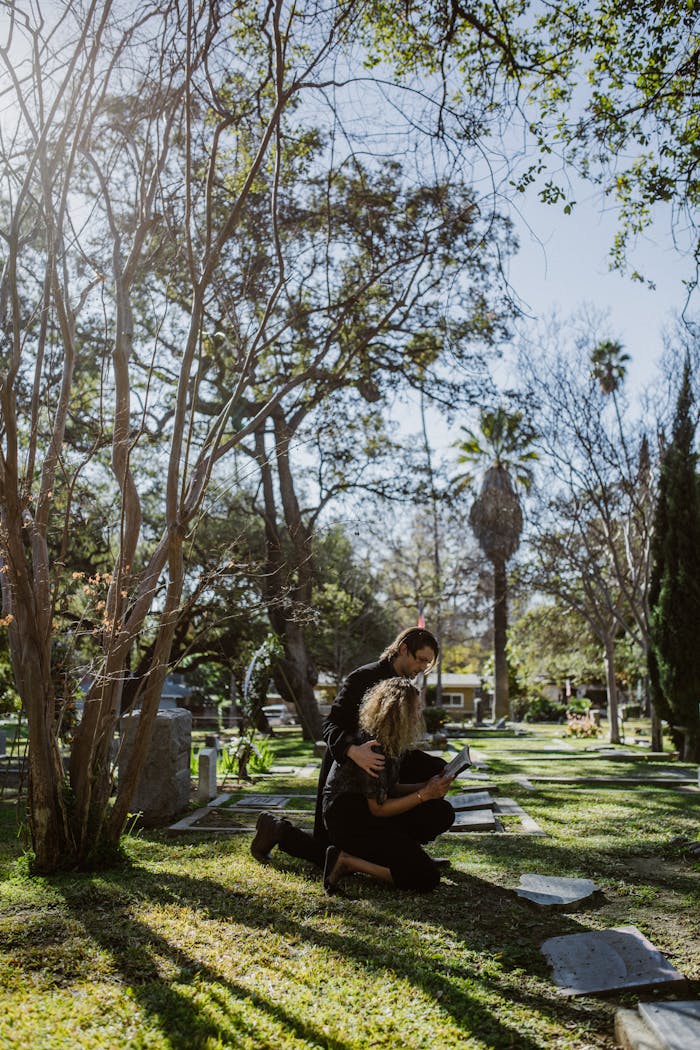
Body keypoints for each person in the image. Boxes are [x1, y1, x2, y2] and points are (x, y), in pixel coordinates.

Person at [250, 626, 448, 868]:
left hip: (383, 767)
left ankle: (405, 851)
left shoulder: (406, 685)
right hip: (350, 771)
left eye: (428, 664)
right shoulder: (363, 677)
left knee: (435, 769)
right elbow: (330, 725)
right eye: (421, 660)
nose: (423, 668)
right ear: (404, 649)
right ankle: (277, 830)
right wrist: (354, 751)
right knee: (329, 853)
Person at [322, 677, 455, 894]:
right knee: (426, 878)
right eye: (415, 709)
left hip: (368, 813)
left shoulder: (391, 739)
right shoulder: (372, 746)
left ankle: (401, 852)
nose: (419, 715)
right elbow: (378, 808)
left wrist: (427, 786)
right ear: (399, 711)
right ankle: (347, 861)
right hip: (349, 821)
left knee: (439, 811)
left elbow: (390, 789)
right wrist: (424, 794)